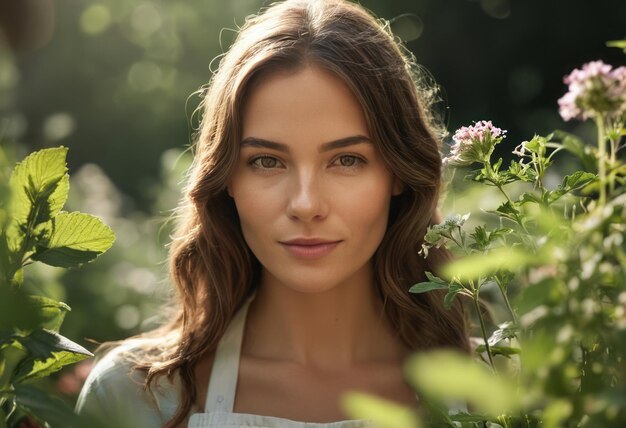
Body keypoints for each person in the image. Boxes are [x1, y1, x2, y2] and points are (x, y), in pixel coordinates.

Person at [76, 0, 470, 426]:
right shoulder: (133, 397)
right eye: (267, 161)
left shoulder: (489, 394)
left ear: (398, 173)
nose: (305, 204)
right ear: (226, 178)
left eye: (347, 160)